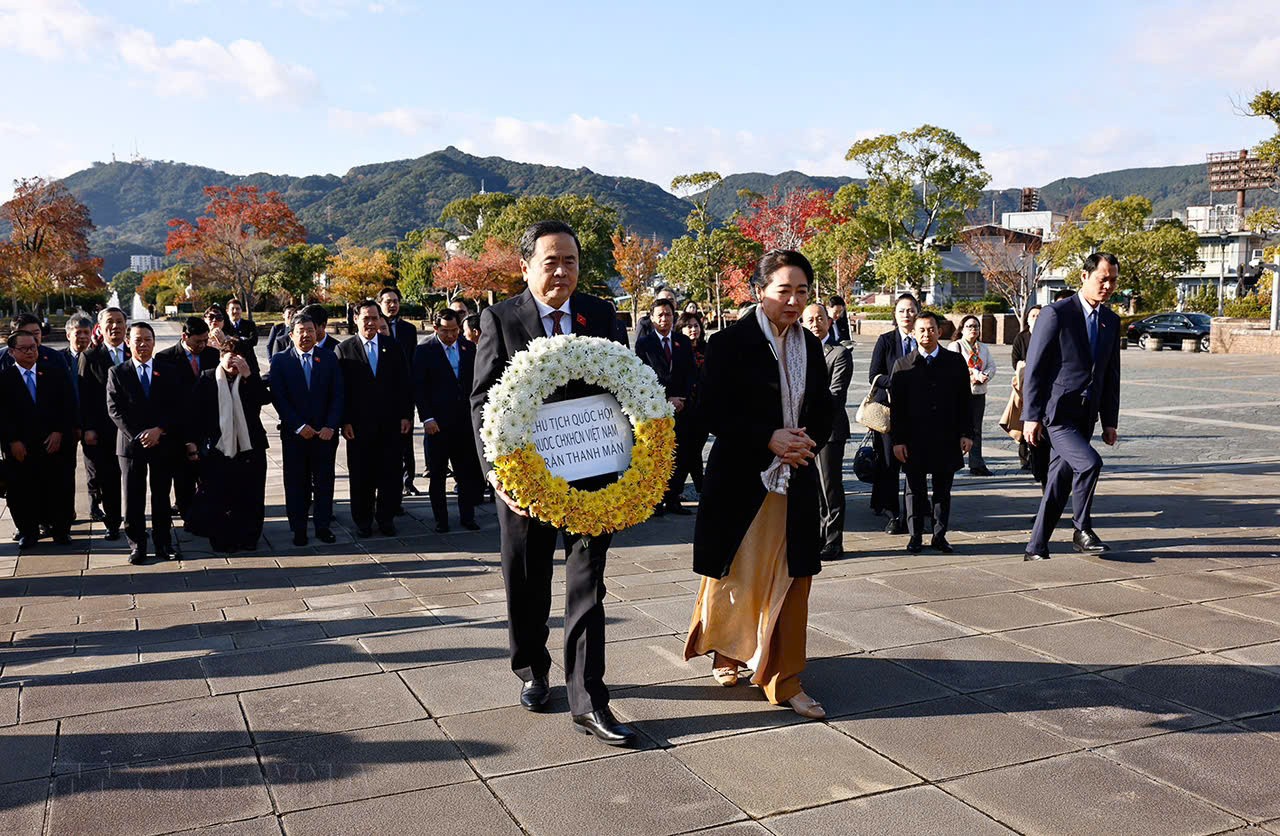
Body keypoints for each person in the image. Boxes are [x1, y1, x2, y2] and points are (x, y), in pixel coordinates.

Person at [471, 220, 635, 745]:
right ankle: (532, 665)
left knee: (588, 584)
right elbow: (482, 402)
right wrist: (500, 477)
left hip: (593, 471)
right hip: (526, 479)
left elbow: (625, 383)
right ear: (526, 267)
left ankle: (589, 698)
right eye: (550, 261)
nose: (562, 271)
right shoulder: (501, 318)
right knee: (527, 579)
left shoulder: (601, 315)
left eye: (570, 261)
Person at [684, 249, 833, 720]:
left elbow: (825, 405)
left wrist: (805, 441)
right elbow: (710, 410)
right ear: (759, 291)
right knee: (736, 576)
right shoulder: (730, 343)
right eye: (783, 290)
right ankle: (728, 650)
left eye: (802, 291)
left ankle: (784, 677)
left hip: (796, 476)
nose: (793, 300)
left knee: (793, 578)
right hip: (743, 481)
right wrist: (767, 437)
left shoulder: (809, 345)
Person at [1023, 253, 1122, 561]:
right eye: (1102, 278)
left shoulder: (1111, 320)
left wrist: (1109, 421)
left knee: (1058, 481)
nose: (1107, 285)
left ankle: (1035, 548)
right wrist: (1030, 416)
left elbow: (1110, 374)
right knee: (1090, 463)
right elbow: (1035, 368)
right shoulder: (1057, 313)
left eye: (1113, 280)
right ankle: (1082, 530)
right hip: (1057, 414)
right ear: (1084, 276)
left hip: (1086, 415)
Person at [890, 312, 974, 554]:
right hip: (913, 439)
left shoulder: (954, 361)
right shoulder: (903, 364)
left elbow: (964, 401)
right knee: (914, 489)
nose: (927, 334)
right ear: (914, 334)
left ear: (939, 331)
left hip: (946, 437)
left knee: (942, 490)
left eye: (931, 329)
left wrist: (966, 433)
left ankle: (939, 535)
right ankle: (915, 535)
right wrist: (898, 441)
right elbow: (897, 409)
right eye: (922, 330)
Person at [183, 338, 269, 552]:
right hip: (218, 447)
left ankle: (250, 537)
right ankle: (222, 538)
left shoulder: (249, 379)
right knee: (220, 496)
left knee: (252, 495)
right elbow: (194, 414)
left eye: (239, 357)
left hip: (250, 446)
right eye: (229, 356)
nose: (234, 363)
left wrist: (249, 375)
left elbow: (264, 399)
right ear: (221, 357)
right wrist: (191, 443)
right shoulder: (208, 378)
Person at [337, 300, 414, 538]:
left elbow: (404, 383)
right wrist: (345, 421)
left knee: (390, 473)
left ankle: (386, 518)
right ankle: (363, 521)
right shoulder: (345, 349)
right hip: (358, 426)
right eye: (365, 318)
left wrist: (406, 415)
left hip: (390, 423)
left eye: (374, 318)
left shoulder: (392, 346)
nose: (370, 323)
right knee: (361, 475)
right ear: (356, 319)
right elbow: (341, 390)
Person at [107, 322, 182, 564]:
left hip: (162, 442)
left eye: (147, 339)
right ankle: (137, 545)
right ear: (128, 342)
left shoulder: (168, 370)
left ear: (154, 341)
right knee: (133, 498)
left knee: (161, 496)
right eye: (138, 339)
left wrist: (159, 430)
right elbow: (114, 410)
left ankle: (163, 543)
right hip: (131, 446)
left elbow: (178, 405)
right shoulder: (118, 372)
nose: (143, 344)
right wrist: (140, 434)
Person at [269, 311, 345, 546]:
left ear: (317, 333)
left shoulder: (329, 358)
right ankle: (298, 529)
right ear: (291, 335)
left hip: (324, 435)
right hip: (295, 436)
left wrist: (331, 426)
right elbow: (279, 398)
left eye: (310, 331)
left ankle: (323, 526)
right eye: (301, 332)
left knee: (324, 482)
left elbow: (338, 395)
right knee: (296, 483)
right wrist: (299, 426)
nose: (306, 336)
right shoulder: (281, 360)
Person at [0, 330, 75, 550]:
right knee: (22, 490)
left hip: (52, 443)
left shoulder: (54, 373)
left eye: (33, 347)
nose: (30, 352)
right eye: (24, 348)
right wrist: (12, 441)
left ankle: (60, 531)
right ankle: (28, 532)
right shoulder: (4, 379)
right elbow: (2, 415)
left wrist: (59, 432)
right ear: (12, 352)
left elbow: (67, 405)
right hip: (20, 447)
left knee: (58, 487)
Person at [414, 308, 483, 533]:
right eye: (445, 331)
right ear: (436, 328)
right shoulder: (425, 350)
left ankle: (468, 516)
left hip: (463, 423)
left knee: (465, 473)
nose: (451, 335)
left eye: (454, 330)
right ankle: (440, 519)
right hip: (437, 424)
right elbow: (419, 388)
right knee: (438, 474)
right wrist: (427, 418)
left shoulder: (468, 348)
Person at [634, 297, 696, 515]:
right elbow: (642, 377)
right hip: (657, 409)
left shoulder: (683, 341)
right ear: (651, 318)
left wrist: (683, 399)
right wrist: (666, 399)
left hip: (682, 408)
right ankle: (655, 500)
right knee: (658, 454)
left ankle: (673, 498)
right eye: (659, 314)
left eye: (668, 314)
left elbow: (691, 373)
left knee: (681, 455)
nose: (664, 318)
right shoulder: (644, 344)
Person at [802, 303, 853, 558]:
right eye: (809, 319)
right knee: (812, 488)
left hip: (829, 431)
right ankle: (817, 537)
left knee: (830, 486)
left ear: (829, 321)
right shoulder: (797, 352)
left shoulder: (839, 354)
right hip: (802, 432)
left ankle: (834, 541)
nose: (815, 323)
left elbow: (836, 394)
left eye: (819, 318)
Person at [155, 317, 220, 516]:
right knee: (182, 477)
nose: (202, 345)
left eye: (205, 340)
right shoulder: (165, 358)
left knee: (210, 475)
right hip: (178, 427)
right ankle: (187, 515)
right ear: (185, 336)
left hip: (208, 426)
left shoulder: (213, 355)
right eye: (197, 341)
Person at [867, 293, 919, 533]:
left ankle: (915, 510)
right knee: (888, 463)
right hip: (888, 413)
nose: (906, 315)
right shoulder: (886, 340)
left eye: (910, 310)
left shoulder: (924, 338)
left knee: (915, 463)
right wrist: (898, 383)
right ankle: (892, 513)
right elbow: (874, 375)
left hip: (916, 414)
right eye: (901, 311)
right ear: (895, 315)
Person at [80, 307, 130, 538]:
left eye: (120, 321)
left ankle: (134, 523)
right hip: (103, 430)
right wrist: (88, 427)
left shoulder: (136, 351)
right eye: (110, 322)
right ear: (100, 326)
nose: (116, 326)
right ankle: (112, 523)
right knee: (109, 479)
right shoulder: (90, 356)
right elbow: (84, 395)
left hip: (133, 430)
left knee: (134, 479)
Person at [378, 287, 422, 500]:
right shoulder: (375, 325)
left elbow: (412, 359)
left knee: (406, 438)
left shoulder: (408, 329)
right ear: (380, 303)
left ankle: (408, 481)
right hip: (381, 394)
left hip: (403, 390)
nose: (392, 305)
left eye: (395, 301)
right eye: (388, 301)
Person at [947, 314, 996, 477]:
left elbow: (991, 366)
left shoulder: (983, 348)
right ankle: (952, 461)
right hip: (960, 394)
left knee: (976, 429)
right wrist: (973, 375)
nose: (974, 329)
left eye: (976, 326)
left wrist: (985, 375)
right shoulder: (956, 346)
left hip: (979, 393)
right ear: (961, 329)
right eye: (970, 326)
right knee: (956, 427)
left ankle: (977, 463)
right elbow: (953, 368)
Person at [1010, 305, 1048, 481]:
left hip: (1044, 387)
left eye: (1039, 315)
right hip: (1025, 383)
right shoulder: (1022, 337)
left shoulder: (1049, 334)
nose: (1036, 317)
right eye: (1033, 315)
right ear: (1027, 319)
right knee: (1024, 419)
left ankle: (1039, 460)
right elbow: (1015, 359)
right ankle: (1025, 457)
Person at [674, 311, 709, 497]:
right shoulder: (677, 348)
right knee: (688, 451)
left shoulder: (707, 348)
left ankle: (679, 492)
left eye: (696, 325)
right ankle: (699, 490)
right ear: (681, 328)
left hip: (703, 407)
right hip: (684, 408)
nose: (693, 329)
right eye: (689, 326)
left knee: (694, 450)